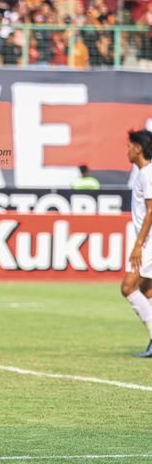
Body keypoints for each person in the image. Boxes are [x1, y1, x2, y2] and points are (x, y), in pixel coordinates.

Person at [121, 129, 152, 357]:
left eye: (130, 146)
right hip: (147, 240)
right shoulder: (144, 173)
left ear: (138, 148)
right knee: (148, 291)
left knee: (128, 287)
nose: (128, 150)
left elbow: (151, 209)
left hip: (148, 241)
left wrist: (138, 244)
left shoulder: (148, 173)